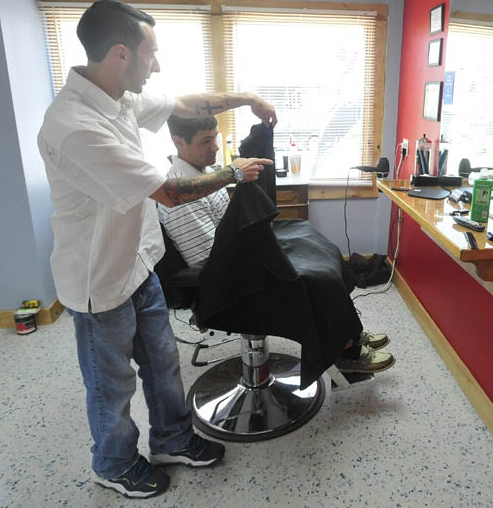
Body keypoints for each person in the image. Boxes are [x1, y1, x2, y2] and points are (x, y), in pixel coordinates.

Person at [37, 0, 275, 500]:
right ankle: (115, 462)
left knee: (164, 363)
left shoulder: (117, 96)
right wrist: (236, 171)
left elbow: (184, 105)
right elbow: (170, 191)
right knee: (112, 383)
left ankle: (172, 438)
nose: (158, 64)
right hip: (100, 279)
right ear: (121, 54)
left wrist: (246, 97)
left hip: (140, 262)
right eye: (153, 54)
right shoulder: (76, 126)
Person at [158, 115, 395, 374]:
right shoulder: (182, 195)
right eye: (206, 141)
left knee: (316, 246)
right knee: (317, 279)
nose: (215, 146)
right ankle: (346, 351)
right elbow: (210, 260)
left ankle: (350, 332)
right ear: (178, 142)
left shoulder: (209, 176)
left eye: (215, 137)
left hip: (233, 258)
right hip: (224, 284)